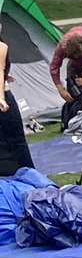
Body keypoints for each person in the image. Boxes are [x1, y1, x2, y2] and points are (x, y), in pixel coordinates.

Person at [0, 23, 35, 176]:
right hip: (3, 96)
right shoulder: (1, 46)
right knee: (17, 140)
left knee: (9, 141)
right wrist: (1, 98)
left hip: (3, 94)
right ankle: (30, 176)